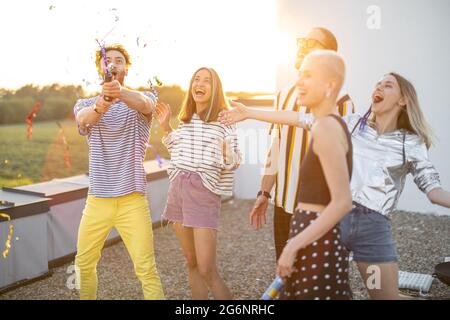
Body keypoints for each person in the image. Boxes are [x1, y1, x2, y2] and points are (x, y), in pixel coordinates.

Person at [219, 72, 450, 299]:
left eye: (388, 85)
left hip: (372, 228)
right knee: (312, 291)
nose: (378, 88)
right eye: (377, 83)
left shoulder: (410, 142)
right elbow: (300, 119)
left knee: (383, 296)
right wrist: (250, 113)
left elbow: (433, 191)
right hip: (333, 220)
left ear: (403, 99)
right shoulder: (350, 125)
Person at [244, 27, 355, 262]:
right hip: (283, 205)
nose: (302, 45)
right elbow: (276, 145)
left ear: (328, 57)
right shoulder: (284, 93)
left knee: (316, 282)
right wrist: (264, 192)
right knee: (286, 276)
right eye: (301, 40)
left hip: (319, 210)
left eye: (311, 42)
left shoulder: (341, 100)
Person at [73, 44, 164, 300]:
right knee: (83, 264)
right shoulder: (85, 103)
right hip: (97, 200)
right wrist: (103, 103)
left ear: (126, 68)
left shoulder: (141, 100)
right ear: (99, 68)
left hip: (132, 200)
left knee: (147, 270)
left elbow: (146, 103)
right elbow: (84, 120)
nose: (113, 63)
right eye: (107, 60)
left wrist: (120, 93)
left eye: (119, 60)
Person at [155, 67, 242, 299]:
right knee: (192, 263)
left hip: (203, 193)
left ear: (215, 90)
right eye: (196, 79)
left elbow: (234, 162)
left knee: (207, 269)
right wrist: (166, 127)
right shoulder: (187, 119)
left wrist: (226, 152)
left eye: (207, 81)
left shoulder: (224, 120)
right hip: (178, 190)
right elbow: (179, 150)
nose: (199, 84)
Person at [275, 50, 353, 299]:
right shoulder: (326, 124)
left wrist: (292, 246)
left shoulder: (327, 127)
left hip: (319, 241)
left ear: (329, 85)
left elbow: (342, 202)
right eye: (299, 75)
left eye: (307, 75)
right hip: (315, 235)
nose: (298, 82)